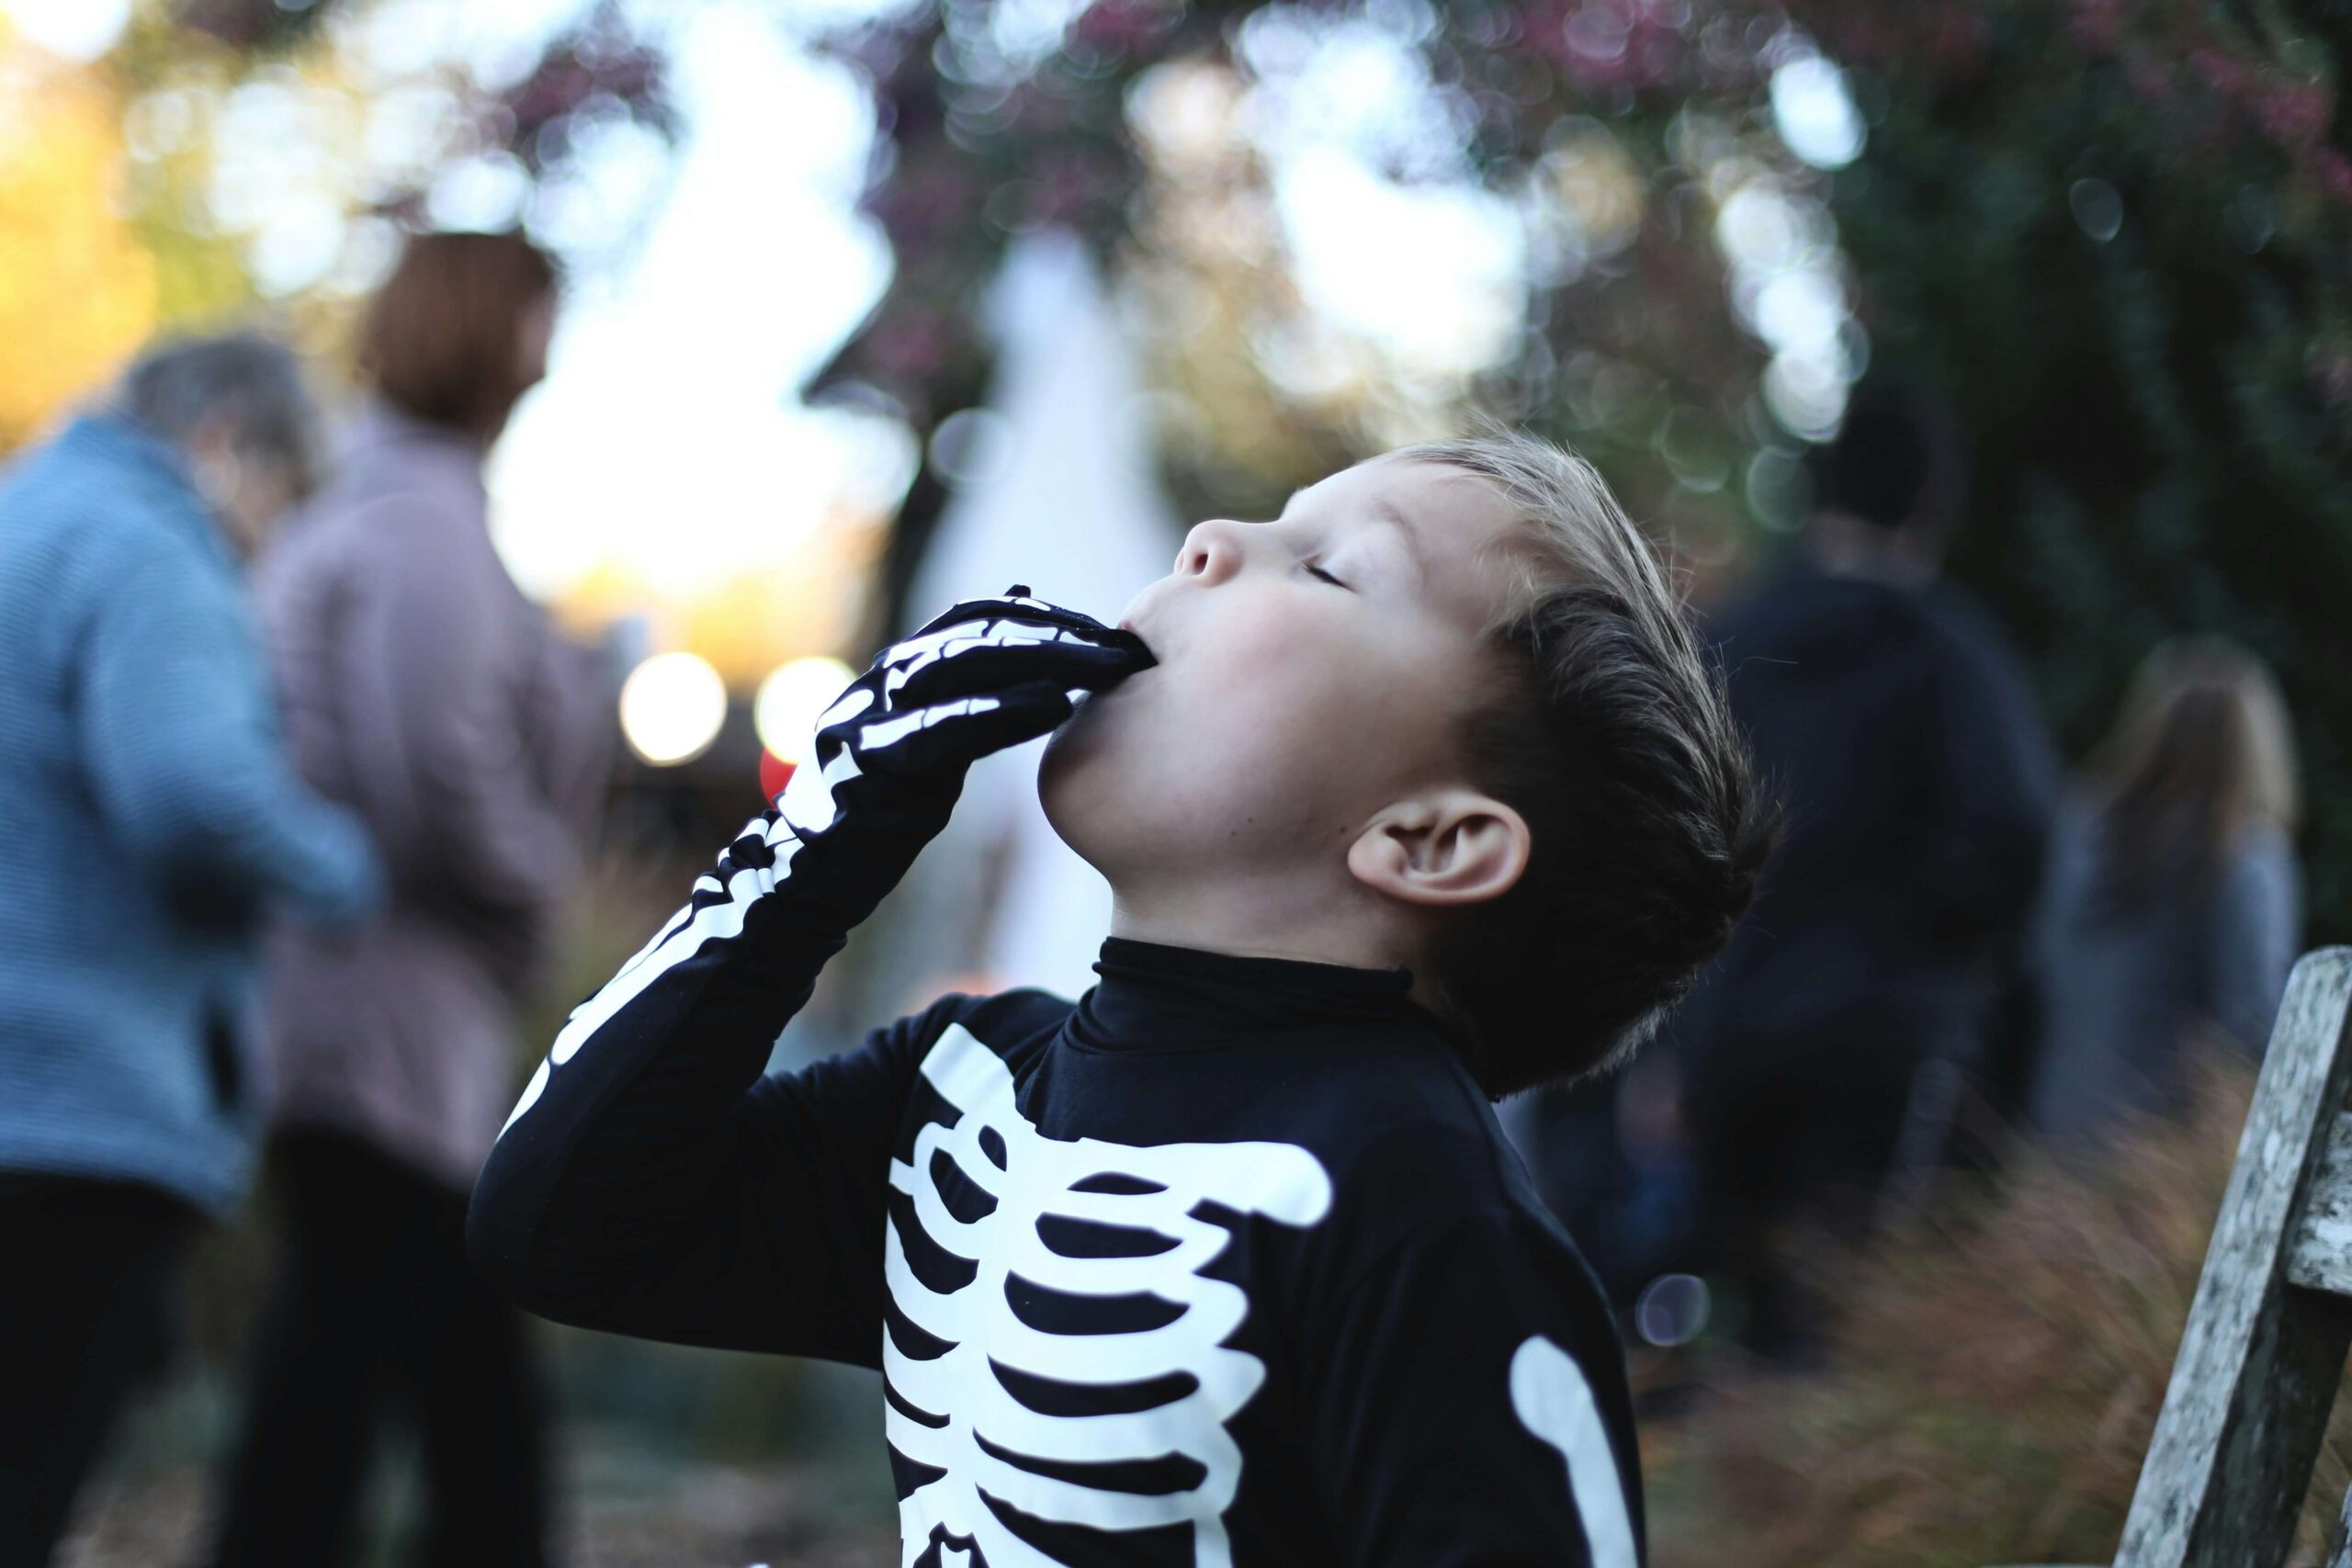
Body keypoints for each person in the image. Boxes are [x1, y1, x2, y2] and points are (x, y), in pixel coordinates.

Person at [469, 433, 1771, 1565]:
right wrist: (815, 841)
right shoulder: (968, 1083)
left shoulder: (1421, 1218)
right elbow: (562, 1225)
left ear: (1429, 841)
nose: (1211, 540)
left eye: (1329, 566)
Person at [209, 231, 609, 1568]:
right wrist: (536, 886)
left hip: (350, 1006)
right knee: (359, 1384)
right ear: (492, 332)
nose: (550, 355)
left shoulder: (368, 509)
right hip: (386, 1018)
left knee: (424, 1380)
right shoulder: (422, 527)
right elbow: (437, 769)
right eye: (540, 321)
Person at [0, 333, 380, 1567]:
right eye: (281, 502)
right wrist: (344, 865)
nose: (270, 547)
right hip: (72, 1102)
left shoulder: (25, 515)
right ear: (223, 442)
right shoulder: (152, 548)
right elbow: (192, 795)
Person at [1675, 373, 2059, 1359]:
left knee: (1749, 1325)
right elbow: (2014, 838)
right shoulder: (1949, 655)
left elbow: (1656, 835)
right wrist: (1924, 944)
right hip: (1883, 1042)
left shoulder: (1725, 648)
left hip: (1732, 1032)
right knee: (1849, 1336)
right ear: (1930, 504)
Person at [2029, 638, 2301, 1138]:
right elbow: (2252, 1030)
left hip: (2050, 1133)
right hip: (2166, 1155)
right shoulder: (2244, 860)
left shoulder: (2076, 834)